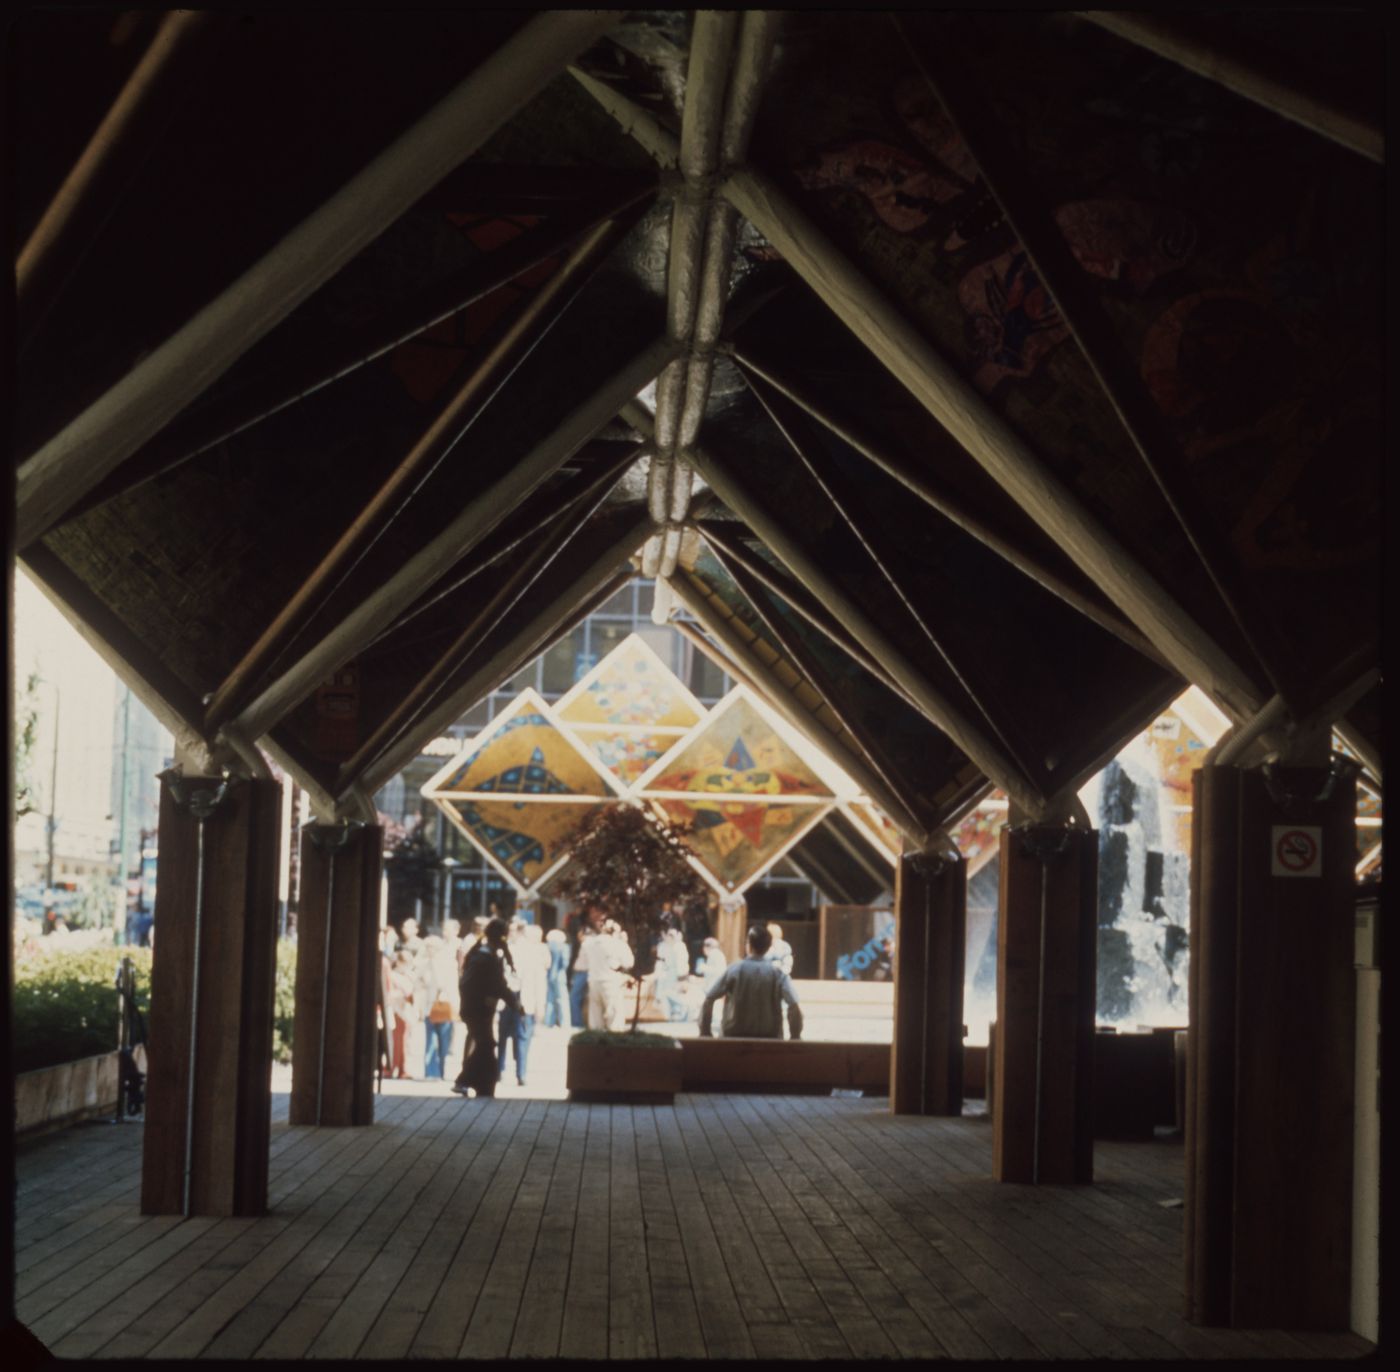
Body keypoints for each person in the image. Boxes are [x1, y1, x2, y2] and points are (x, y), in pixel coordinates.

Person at [453, 916, 519, 1098]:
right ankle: (464, 1080)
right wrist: (513, 1002)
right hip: (478, 1010)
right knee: (486, 1045)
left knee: (485, 1046)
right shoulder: (486, 958)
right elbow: (498, 985)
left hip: (475, 1009)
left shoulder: (480, 954)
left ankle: (483, 1086)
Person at [700, 924, 803, 1040]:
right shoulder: (778, 974)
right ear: (769, 947)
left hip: (733, 1038)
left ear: (748, 946)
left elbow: (709, 999)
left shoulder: (734, 970)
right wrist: (795, 1037)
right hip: (770, 1040)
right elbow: (794, 1005)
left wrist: (705, 1032)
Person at [499, 922, 547, 1086]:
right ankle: (521, 1074)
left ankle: (500, 1071)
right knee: (522, 1038)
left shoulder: (509, 950)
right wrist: (541, 1005)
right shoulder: (534, 952)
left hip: (509, 998)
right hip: (524, 999)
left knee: (503, 1036)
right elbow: (540, 982)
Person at [417, 934, 459, 1081]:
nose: (429, 950)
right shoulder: (424, 964)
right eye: (427, 947)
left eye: (431, 947)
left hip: (444, 1006)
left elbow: (443, 984)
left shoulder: (447, 963)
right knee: (430, 1041)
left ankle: (442, 1071)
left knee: (443, 1042)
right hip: (429, 1007)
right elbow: (418, 982)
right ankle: (430, 1072)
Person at [583, 918, 634, 1031]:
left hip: (593, 981)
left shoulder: (590, 943)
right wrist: (624, 943)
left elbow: (584, 962)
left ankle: (595, 1042)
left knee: (595, 1017)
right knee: (615, 1018)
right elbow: (629, 963)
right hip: (611, 982)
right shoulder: (617, 943)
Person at [386, 949, 417, 1078]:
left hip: (407, 1011)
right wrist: (403, 993)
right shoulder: (392, 975)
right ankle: (394, 1068)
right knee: (397, 1042)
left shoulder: (410, 975)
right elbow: (389, 993)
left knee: (406, 1042)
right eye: (403, 962)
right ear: (397, 962)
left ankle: (402, 1068)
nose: (405, 965)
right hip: (397, 1011)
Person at [653, 926, 691, 1022]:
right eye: (669, 935)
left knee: (678, 996)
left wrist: (682, 976)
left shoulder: (680, 946)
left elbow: (683, 962)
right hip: (666, 974)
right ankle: (668, 1017)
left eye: (672, 935)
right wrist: (658, 973)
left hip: (678, 975)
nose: (670, 937)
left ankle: (680, 1016)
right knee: (665, 995)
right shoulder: (662, 946)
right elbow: (659, 962)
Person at [543, 927, 571, 1029]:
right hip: (560, 976)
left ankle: (549, 1022)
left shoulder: (547, 946)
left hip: (548, 975)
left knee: (549, 999)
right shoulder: (564, 947)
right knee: (562, 1000)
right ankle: (564, 1023)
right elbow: (565, 963)